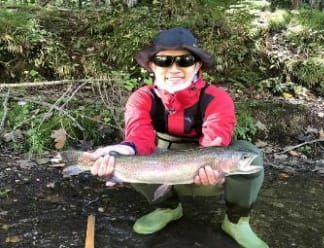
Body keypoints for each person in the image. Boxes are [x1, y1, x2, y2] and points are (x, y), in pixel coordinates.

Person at [83, 27, 268, 248]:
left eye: (185, 60)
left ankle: (237, 221)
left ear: (197, 65)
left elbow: (215, 141)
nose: (174, 68)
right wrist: (119, 152)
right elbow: (138, 137)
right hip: (162, 164)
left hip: (203, 169)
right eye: (164, 61)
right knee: (134, 156)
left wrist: (213, 166)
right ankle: (167, 208)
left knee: (251, 156)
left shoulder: (217, 98)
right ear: (152, 65)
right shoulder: (141, 98)